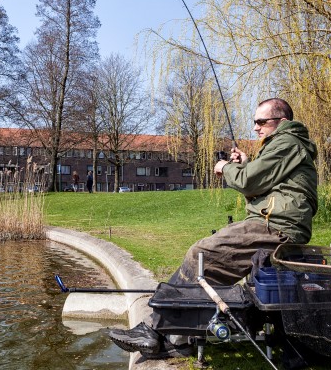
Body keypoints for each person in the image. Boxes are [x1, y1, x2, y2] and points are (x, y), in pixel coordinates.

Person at [108, 98, 318, 358]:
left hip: (275, 227)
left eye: (261, 121)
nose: (255, 128)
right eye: (254, 122)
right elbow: (262, 182)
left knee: (201, 255)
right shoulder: (284, 144)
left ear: (282, 122)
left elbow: (249, 181)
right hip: (273, 223)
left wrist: (227, 167)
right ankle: (167, 333)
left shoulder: (287, 142)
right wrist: (245, 163)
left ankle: (158, 331)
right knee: (203, 259)